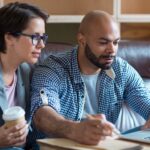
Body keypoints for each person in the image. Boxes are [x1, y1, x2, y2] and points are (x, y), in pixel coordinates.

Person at [30, 10, 150, 146]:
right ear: (82, 40)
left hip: (103, 145)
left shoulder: (121, 70)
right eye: (103, 43)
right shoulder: (53, 69)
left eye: (115, 43)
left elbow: (145, 102)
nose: (112, 50)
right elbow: (42, 114)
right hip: (57, 145)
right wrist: (75, 130)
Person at [0, 2, 48, 150]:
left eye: (43, 37)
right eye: (35, 37)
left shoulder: (27, 71)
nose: (41, 45)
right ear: (9, 37)